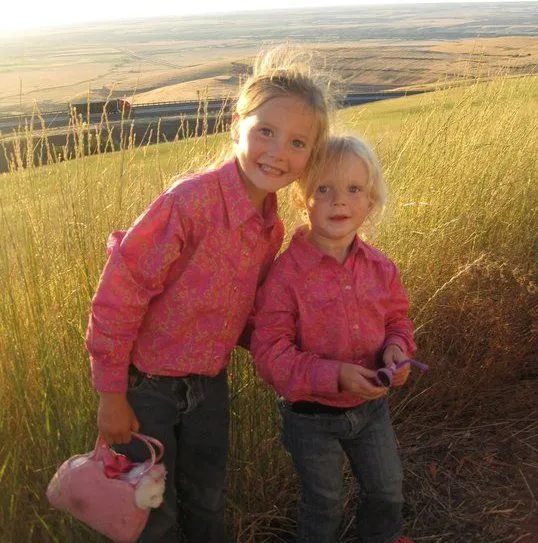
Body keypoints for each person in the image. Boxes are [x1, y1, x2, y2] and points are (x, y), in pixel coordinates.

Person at [85, 44, 333, 543]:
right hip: (146, 388)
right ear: (235, 124)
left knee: (207, 499)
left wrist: (308, 349)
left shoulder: (270, 226)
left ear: (312, 155)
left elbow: (247, 315)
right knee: (151, 509)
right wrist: (111, 392)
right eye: (265, 131)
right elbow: (121, 291)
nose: (278, 152)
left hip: (207, 388)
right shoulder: (189, 203)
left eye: (298, 142)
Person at [251, 135, 417, 543]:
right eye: (323, 189)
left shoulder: (381, 268)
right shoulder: (286, 276)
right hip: (309, 417)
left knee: (387, 490)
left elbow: (398, 320)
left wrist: (398, 350)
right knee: (325, 500)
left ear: (370, 200)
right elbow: (269, 353)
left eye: (353, 190)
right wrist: (334, 375)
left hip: (370, 411)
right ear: (301, 199)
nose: (338, 202)